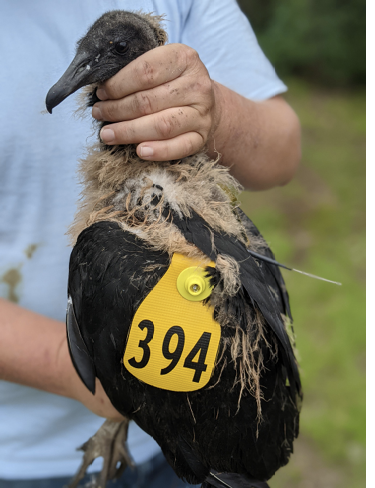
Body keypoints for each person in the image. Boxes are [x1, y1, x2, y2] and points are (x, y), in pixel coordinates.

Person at [0, 0, 301, 486]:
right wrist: (80, 367)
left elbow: (283, 151)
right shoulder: (105, 245)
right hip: (18, 455)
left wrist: (214, 111)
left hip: (194, 428)